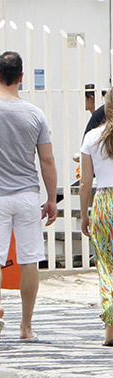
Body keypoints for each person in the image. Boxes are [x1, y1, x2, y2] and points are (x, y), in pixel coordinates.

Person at [0, 51, 57, 344]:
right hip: (27, 194)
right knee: (29, 260)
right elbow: (48, 160)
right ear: (21, 77)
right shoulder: (34, 114)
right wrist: (51, 198)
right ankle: (26, 325)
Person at [79, 89, 113, 347]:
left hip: (103, 202)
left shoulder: (92, 137)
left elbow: (85, 182)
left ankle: (110, 332)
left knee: (106, 267)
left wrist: (84, 215)